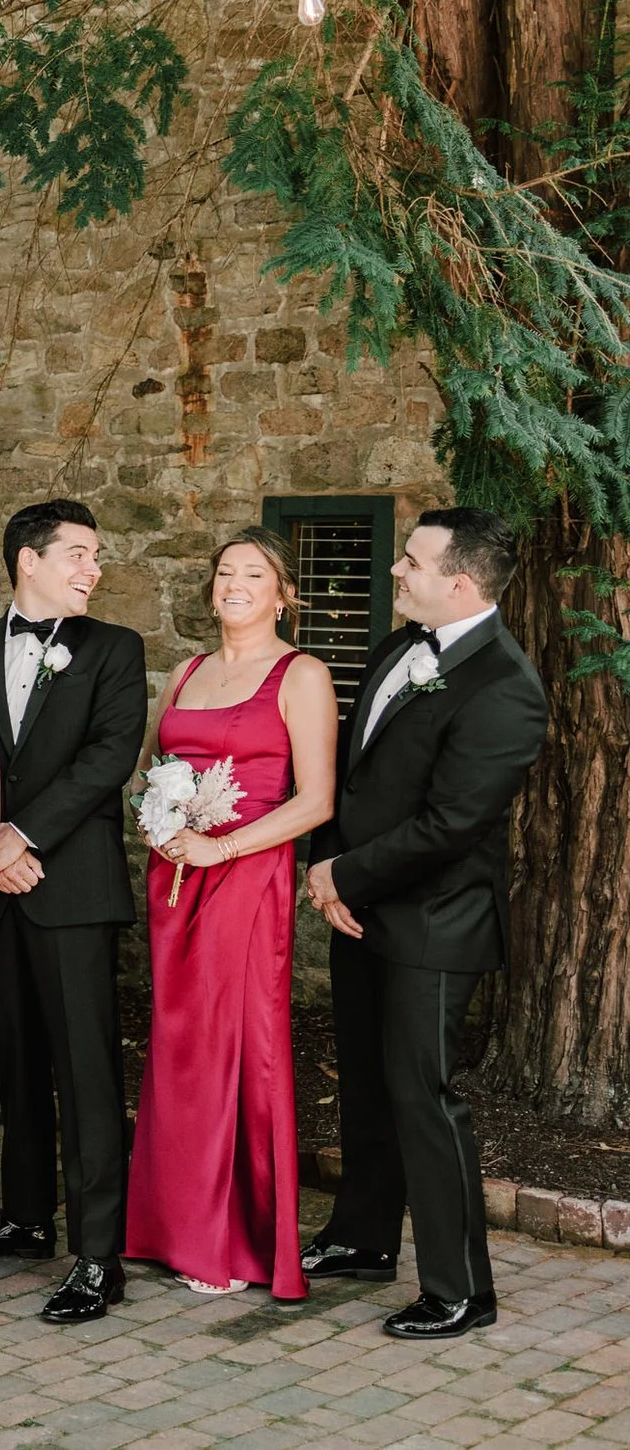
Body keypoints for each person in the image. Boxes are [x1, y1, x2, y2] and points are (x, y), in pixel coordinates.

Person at [302, 509, 547, 1339]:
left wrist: (341, 873)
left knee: (424, 1096)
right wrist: (329, 865)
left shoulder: (506, 687)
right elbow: (353, 772)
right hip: (358, 906)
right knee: (367, 1083)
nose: (396, 570)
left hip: (436, 924)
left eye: (412, 561)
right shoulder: (395, 648)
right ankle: (364, 1237)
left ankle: (461, 1288)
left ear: (461, 582)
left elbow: (451, 825)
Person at [125, 529, 337, 1302]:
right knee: (177, 1040)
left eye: (254, 573)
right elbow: (150, 771)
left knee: (229, 1043)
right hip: (174, 876)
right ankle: (170, 1224)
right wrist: (159, 819)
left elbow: (316, 800)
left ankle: (229, 1238)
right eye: (224, 572)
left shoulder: (301, 674)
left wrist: (224, 847)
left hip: (245, 878)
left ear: (284, 595)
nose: (234, 583)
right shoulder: (186, 672)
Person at [0, 501, 149, 1323]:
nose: (92, 569)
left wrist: (20, 835)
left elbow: (109, 757)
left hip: (70, 887)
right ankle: (28, 1215)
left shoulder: (115, 648)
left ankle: (99, 1255)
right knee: (17, 1063)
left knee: (86, 1072)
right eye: (77, 553)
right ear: (27, 560)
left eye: (95, 556)